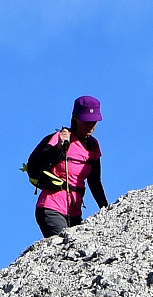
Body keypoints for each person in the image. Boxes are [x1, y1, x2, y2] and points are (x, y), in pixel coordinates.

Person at [25, 96, 110, 238]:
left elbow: (94, 182)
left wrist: (106, 209)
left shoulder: (93, 146)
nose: (90, 125)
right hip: (51, 207)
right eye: (86, 120)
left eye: (94, 121)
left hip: (75, 213)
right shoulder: (60, 139)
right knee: (66, 247)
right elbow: (35, 165)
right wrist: (58, 150)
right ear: (75, 117)